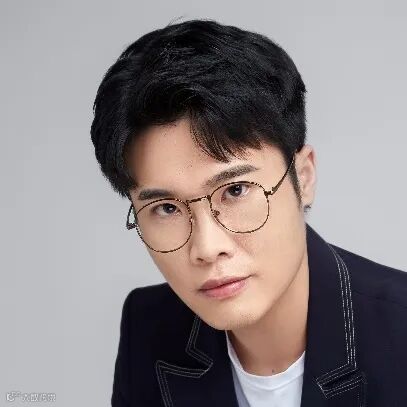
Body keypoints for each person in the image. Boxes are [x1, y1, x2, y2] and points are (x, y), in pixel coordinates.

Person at [90, 18, 407, 407]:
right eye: (166, 208)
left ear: (303, 177)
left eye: (235, 190)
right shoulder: (149, 328)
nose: (207, 248)